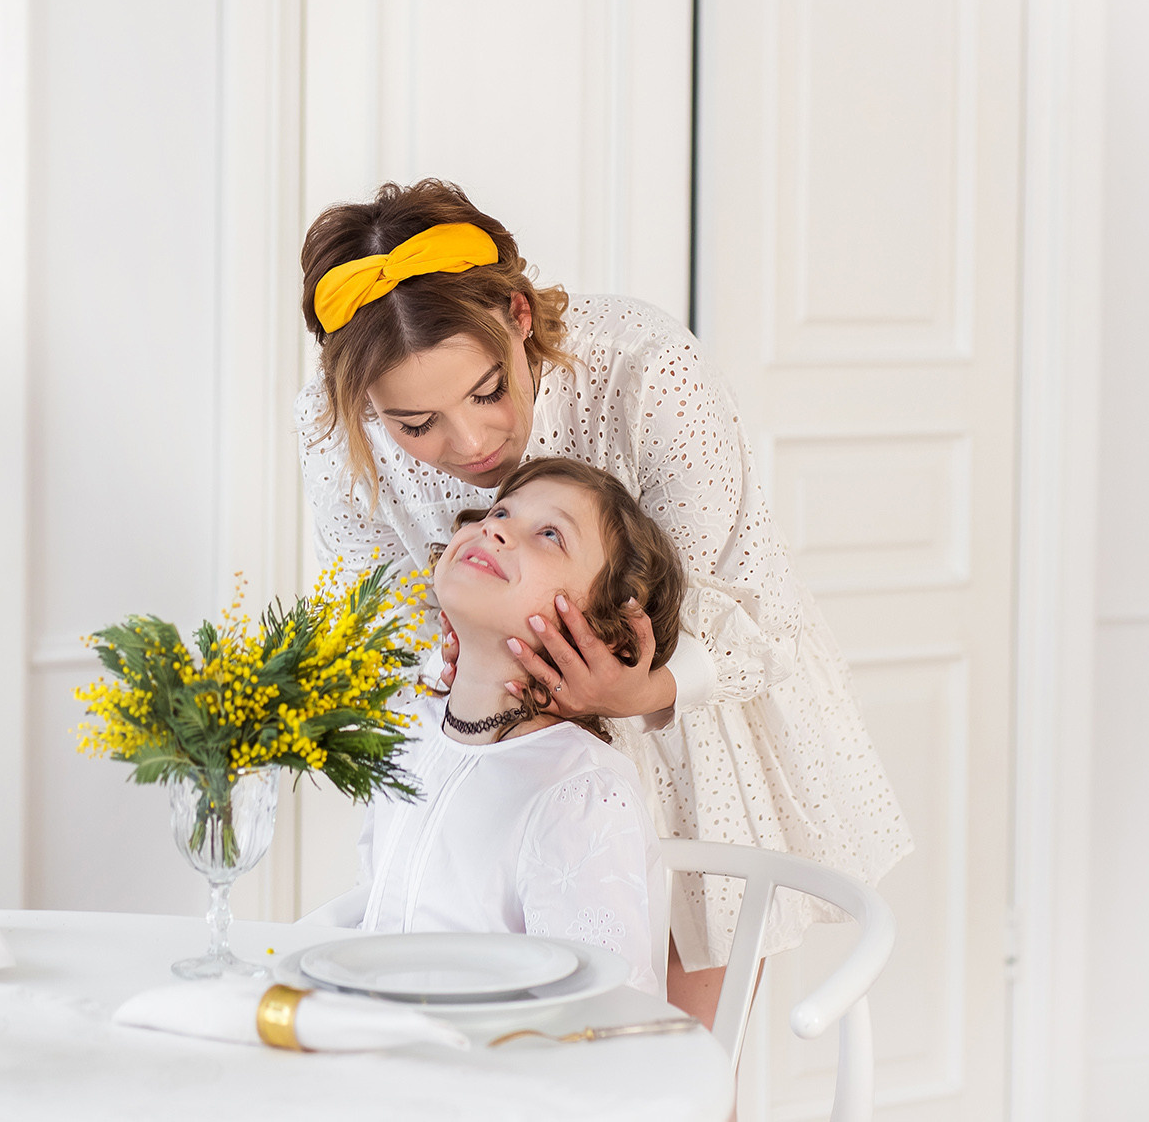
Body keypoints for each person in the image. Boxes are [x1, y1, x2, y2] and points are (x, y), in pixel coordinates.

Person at [297, 179, 910, 1025]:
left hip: (687, 713)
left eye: (487, 393)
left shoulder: (641, 365)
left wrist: (642, 692)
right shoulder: (338, 432)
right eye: (415, 424)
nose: (472, 448)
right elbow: (387, 609)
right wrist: (442, 669)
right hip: (499, 745)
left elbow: (740, 599)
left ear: (516, 314)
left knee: (671, 1055)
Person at [352, 459, 682, 998]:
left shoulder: (579, 795)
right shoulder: (409, 733)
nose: (495, 527)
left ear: (607, 633)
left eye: (550, 534)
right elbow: (377, 914)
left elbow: (598, 1011)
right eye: (500, 510)